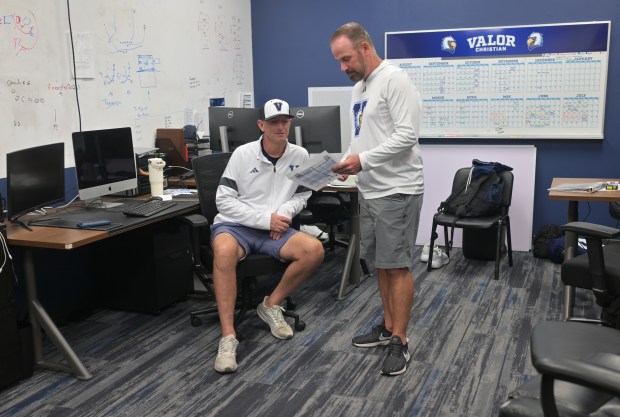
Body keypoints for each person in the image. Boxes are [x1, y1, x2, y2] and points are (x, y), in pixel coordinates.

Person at [330, 22, 424, 376]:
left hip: (397, 190)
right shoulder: (359, 88)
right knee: (382, 265)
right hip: (370, 188)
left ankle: (400, 340)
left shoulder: (395, 79)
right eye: (338, 61)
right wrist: (346, 162)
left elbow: (407, 136)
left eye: (347, 58)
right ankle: (387, 328)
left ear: (365, 47)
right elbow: (362, 138)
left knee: (397, 266)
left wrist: (362, 161)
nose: (343, 67)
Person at [210, 99, 325, 373]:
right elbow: (223, 201)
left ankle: (271, 305)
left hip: (275, 228)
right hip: (237, 225)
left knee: (314, 250)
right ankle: (228, 336)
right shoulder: (242, 154)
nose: (280, 126)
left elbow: (303, 194)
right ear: (262, 125)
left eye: (285, 121)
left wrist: (282, 216)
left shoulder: (300, 155)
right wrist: (264, 219)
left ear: (290, 123)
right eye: (274, 122)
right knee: (224, 251)